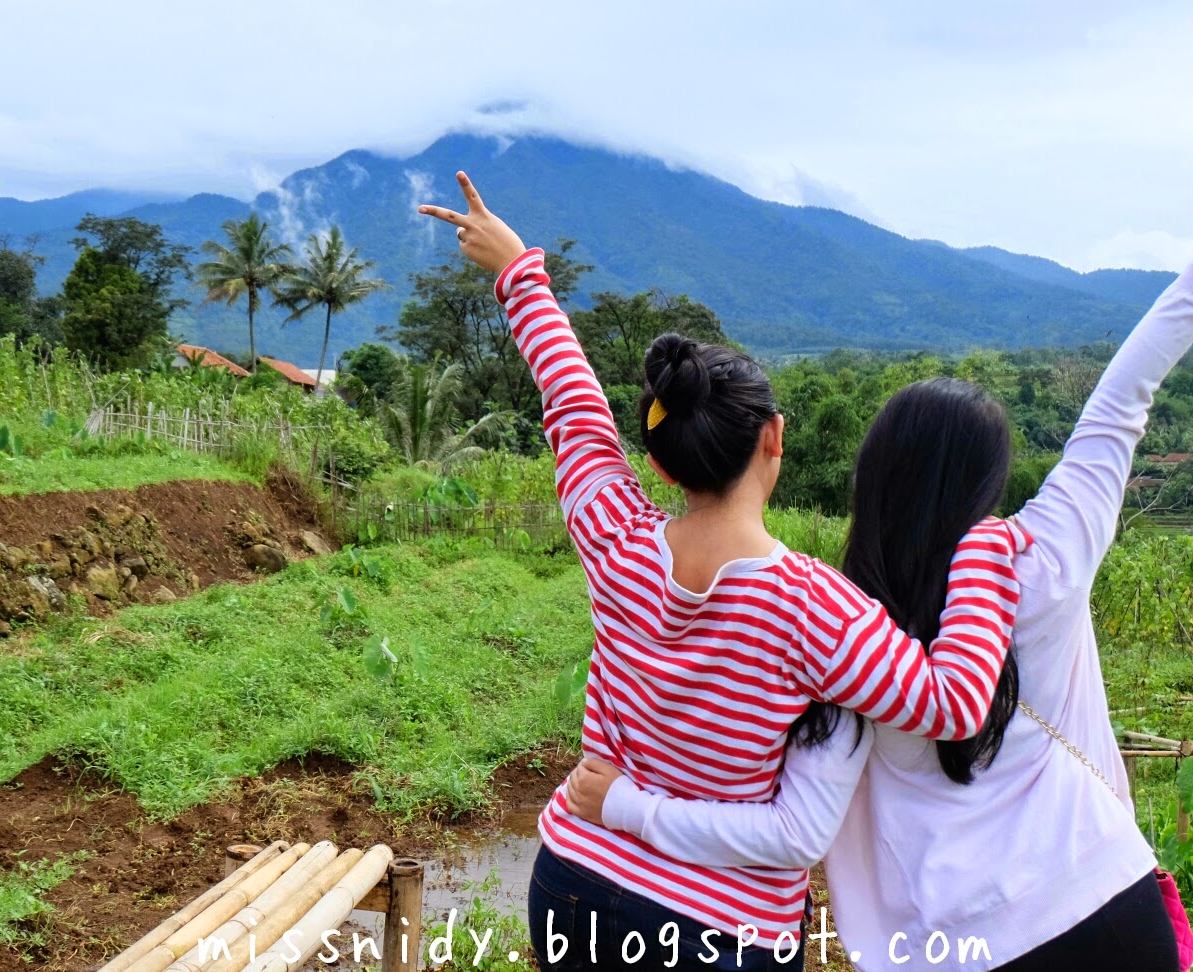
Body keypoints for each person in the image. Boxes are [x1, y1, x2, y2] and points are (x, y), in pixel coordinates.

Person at [561, 140, 1193, 971]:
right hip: (1106, 907)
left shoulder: (841, 630)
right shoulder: (1039, 557)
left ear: (870, 481)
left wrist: (634, 802)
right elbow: (1121, 401)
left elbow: (797, 821)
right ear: (989, 478)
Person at [420, 174, 1030, 970]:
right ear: (774, 438)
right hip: (718, 932)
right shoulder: (816, 607)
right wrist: (986, 545)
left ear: (660, 464)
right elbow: (953, 703)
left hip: (573, 882)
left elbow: (573, 409)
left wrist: (517, 272)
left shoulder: (617, 542)